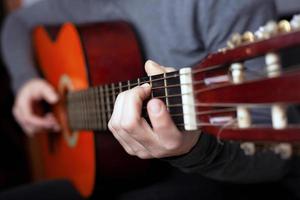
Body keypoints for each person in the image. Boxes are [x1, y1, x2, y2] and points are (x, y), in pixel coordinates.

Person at [1, 0, 299, 199]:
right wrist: (25, 81)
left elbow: (277, 158)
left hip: (205, 172)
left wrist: (191, 149)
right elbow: (18, 24)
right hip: (113, 168)